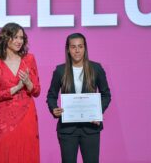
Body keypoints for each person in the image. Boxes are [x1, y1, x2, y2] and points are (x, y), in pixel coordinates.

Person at [46, 33, 111, 163]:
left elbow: (106, 94)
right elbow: (51, 95)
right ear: (68, 50)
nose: (77, 50)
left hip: (91, 128)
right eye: (73, 47)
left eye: (80, 47)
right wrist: (54, 109)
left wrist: (98, 112)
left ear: (85, 48)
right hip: (67, 130)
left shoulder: (96, 68)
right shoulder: (60, 70)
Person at [0, 23, 41, 163]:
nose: (19, 41)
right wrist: (16, 88)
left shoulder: (29, 59)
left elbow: (37, 91)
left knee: (26, 153)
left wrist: (28, 83)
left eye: (21, 38)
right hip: (3, 119)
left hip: (26, 115)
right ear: (5, 38)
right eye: (15, 37)